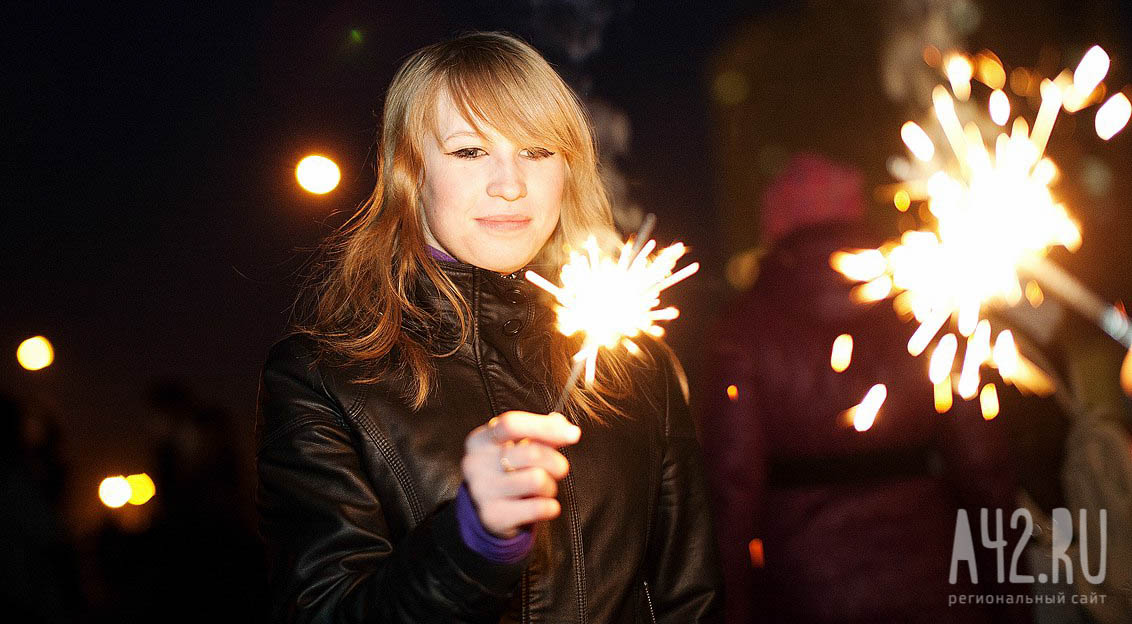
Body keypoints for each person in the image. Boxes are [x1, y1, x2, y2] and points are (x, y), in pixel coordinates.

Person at [255, 31, 722, 623]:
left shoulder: (640, 367)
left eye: (536, 151)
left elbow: (690, 599)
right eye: (470, 152)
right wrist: (471, 542)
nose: (511, 184)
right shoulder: (323, 378)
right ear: (410, 171)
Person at [702, 152, 1025, 624]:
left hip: (805, 591)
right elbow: (984, 462)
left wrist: (731, 610)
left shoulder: (742, 327)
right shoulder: (922, 305)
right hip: (933, 579)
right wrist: (1010, 596)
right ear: (856, 213)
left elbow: (731, 486)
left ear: (775, 222)